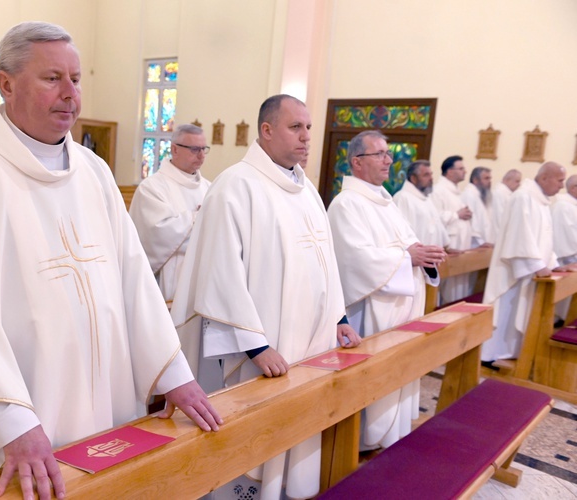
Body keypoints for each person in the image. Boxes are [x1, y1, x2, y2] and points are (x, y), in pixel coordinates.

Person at [0, 22, 222, 500]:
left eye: (76, 80)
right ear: (6, 84)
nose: (70, 95)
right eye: (52, 78)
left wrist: (173, 375)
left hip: (107, 394)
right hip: (20, 414)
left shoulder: (93, 172)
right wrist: (10, 421)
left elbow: (134, 279)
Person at [171, 94, 360, 500]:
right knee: (255, 450)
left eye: (309, 127)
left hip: (311, 343)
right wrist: (256, 346)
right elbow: (219, 275)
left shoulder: (306, 189)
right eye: (296, 127)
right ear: (267, 131)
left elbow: (325, 258)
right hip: (263, 352)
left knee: (299, 438)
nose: (307, 137)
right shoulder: (236, 186)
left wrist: (339, 319)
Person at [327, 130, 445, 451]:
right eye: (379, 154)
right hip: (370, 310)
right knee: (373, 381)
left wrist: (424, 254)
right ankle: (361, 444)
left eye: (388, 154)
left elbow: (407, 242)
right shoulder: (346, 204)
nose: (388, 161)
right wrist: (409, 258)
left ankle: (391, 438)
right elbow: (355, 259)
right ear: (357, 162)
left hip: (401, 308)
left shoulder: (385, 201)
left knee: (401, 372)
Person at [482, 162, 574, 364]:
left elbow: (544, 239)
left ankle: (513, 353)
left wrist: (553, 263)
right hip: (512, 273)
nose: (561, 186)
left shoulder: (540, 200)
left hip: (531, 271)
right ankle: (491, 355)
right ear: (544, 178)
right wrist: (538, 266)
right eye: (559, 181)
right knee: (507, 310)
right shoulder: (523, 197)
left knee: (519, 311)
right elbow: (520, 236)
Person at [129, 124, 211, 307]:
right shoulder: (151, 188)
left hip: (201, 281)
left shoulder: (209, 188)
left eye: (204, 149)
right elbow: (156, 234)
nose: (201, 155)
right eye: (194, 149)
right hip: (167, 284)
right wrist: (198, 217)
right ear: (174, 149)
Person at [430, 155, 474, 303]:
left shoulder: (455, 192)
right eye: (461, 168)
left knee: (457, 289)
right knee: (446, 290)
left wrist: (464, 214)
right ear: (449, 171)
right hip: (449, 246)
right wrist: (457, 214)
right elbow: (434, 218)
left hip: (460, 246)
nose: (465, 171)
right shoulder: (438, 190)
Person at [393, 160, 450, 249]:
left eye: (431, 174)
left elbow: (437, 226)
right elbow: (401, 233)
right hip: (415, 259)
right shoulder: (402, 198)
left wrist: (446, 247)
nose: (431, 178)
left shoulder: (427, 199)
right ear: (413, 178)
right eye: (426, 175)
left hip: (432, 257)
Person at [550, 174, 577, 320]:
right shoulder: (563, 206)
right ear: (574, 188)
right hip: (565, 260)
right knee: (562, 301)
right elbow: (568, 237)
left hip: (571, 258)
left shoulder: (572, 206)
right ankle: (561, 319)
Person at [460, 166, 494, 248]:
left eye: (490, 178)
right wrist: (481, 243)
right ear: (475, 180)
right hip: (474, 245)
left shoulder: (480, 196)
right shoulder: (469, 195)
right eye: (486, 178)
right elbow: (471, 223)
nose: (490, 182)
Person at [491, 169, 522, 242]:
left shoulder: (508, 194)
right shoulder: (499, 194)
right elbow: (500, 218)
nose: (519, 184)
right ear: (507, 180)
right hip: (500, 238)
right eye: (517, 181)